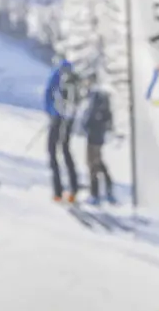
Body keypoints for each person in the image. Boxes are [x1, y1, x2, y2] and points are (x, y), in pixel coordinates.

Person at [42, 56, 80, 203]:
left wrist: (50, 113)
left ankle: (58, 191)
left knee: (52, 151)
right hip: (69, 118)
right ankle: (73, 189)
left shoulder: (56, 74)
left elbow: (48, 93)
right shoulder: (73, 77)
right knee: (65, 150)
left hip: (57, 117)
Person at [80, 82, 114, 205]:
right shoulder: (104, 99)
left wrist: (85, 126)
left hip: (93, 135)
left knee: (92, 163)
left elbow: (88, 117)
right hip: (100, 135)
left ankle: (95, 193)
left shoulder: (95, 98)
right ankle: (108, 187)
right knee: (98, 161)